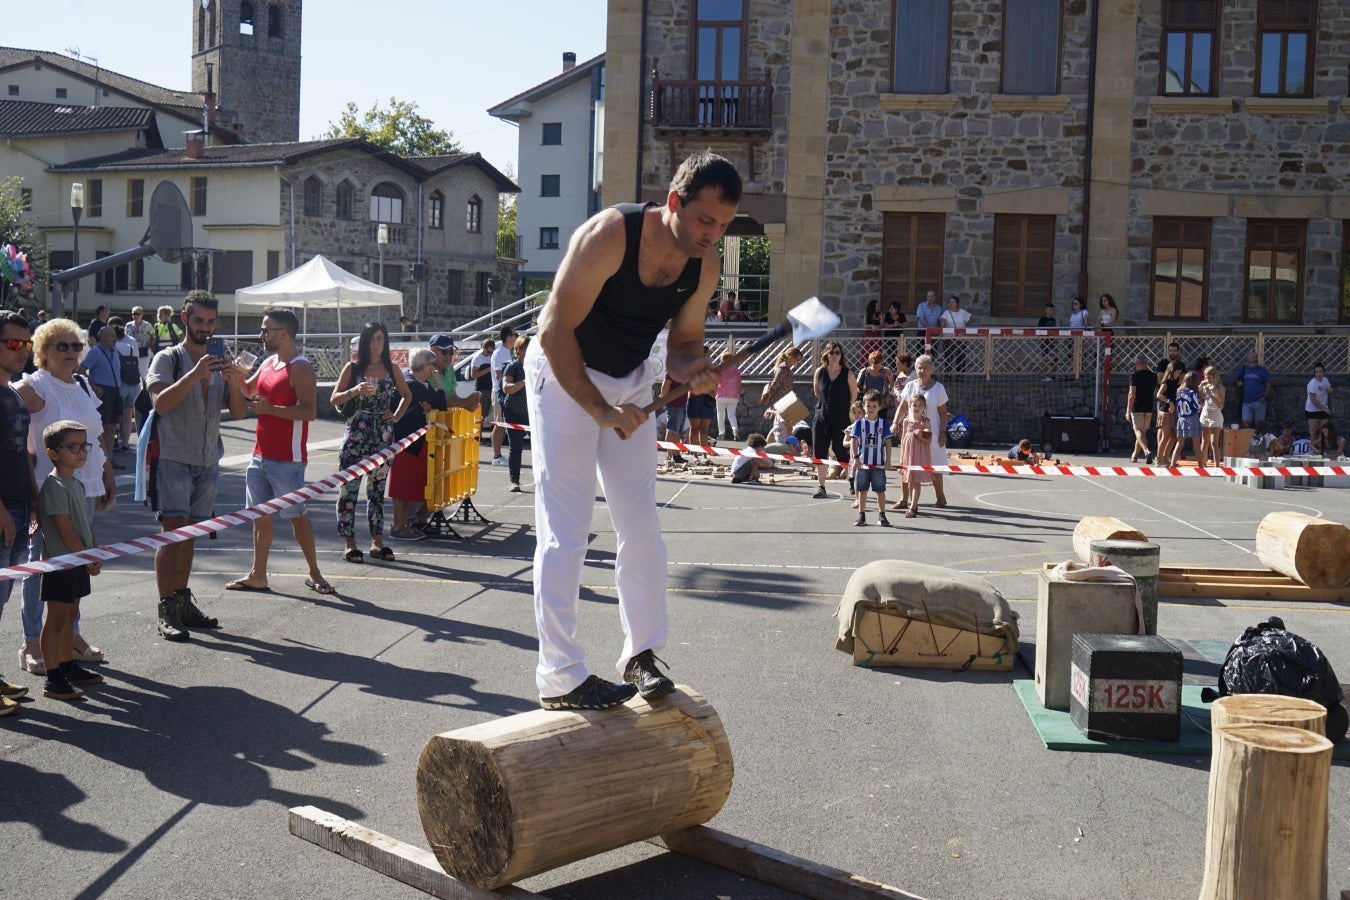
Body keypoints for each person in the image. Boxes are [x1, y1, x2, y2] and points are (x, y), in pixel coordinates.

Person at [525, 150, 739, 710]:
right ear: (674, 202)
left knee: (641, 525)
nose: (711, 236)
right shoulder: (608, 236)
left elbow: (685, 343)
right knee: (566, 530)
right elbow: (552, 331)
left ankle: (640, 654)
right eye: (704, 221)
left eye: (722, 227)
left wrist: (693, 370)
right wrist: (601, 411)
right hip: (563, 371)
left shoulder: (704, 264)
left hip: (632, 378)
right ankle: (560, 677)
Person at [146, 290, 248, 641]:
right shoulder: (168, 358)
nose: (205, 328)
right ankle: (165, 607)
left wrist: (234, 382)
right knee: (172, 534)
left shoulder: (218, 361)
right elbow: (160, 404)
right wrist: (194, 375)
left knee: (190, 534)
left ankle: (181, 599)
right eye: (198, 320)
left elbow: (237, 413)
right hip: (174, 458)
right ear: (184, 318)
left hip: (208, 459)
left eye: (210, 322)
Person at [16, 318, 115, 676]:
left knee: (77, 557)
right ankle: (31, 641)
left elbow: (97, 435)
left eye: (75, 345)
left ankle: (70, 633)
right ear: (43, 351)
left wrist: (106, 475)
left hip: (84, 484)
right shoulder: (33, 386)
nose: (71, 352)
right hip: (48, 488)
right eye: (62, 346)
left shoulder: (83, 384)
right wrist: (28, 488)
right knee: (40, 567)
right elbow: (13, 433)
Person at [226, 307, 334, 595]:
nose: (261, 335)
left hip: (287, 458)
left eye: (266, 330)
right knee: (259, 516)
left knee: (296, 516)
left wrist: (271, 409)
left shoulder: (300, 367)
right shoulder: (270, 361)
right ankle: (257, 574)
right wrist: (236, 375)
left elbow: (310, 412)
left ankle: (315, 573)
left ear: (283, 334)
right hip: (260, 453)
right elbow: (249, 391)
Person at [329, 321, 411, 565]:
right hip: (356, 434)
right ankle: (350, 543)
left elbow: (407, 395)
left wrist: (395, 415)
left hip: (382, 436)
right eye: (372, 338)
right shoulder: (353, 368)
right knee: (349, 491)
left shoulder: (391, 368)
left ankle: (377, 541)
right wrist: (354, 391)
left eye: (380, 339)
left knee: (376, 491)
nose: (376, 343)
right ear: (365, 341)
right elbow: (334, 398)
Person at [36, 420, 105, 701]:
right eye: (72, 447)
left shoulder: (75, 483)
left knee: (70, 615)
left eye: (83, 446)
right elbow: (64, 529)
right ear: (53, 453)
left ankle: (67, 665)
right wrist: (85, 556)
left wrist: (95, 550)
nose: (81, 452)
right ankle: (53, 676)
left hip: (78, 561)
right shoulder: (54, 486)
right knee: (56, 618)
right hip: (61, 564)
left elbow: (84, 524)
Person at [0, 312, 36, 713]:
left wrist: (34, 497)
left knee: (1, 599)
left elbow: (23, 450)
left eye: (26, 345)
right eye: (13, 344)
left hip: (19, 506)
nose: (22, 352)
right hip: (2, 511)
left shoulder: (12, 392)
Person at [389, 348, 446, 538]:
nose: (435, 370)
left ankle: (404, 523)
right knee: (401, 488)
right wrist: (438, 383)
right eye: (433, 366)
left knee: (407, 486)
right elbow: (441, 404)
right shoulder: (414, 385)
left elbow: (434, 406)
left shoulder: (414, 382)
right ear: (426, 366)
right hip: (406, 443)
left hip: (411, 443)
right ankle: (398, 526)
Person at [895, 354, 949, 509]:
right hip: (911, 433)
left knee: (936, 465)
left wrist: (943, 432)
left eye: (926, 367)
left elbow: (943, 412)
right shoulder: (910, 385)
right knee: (906, 464)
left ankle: (940, 498)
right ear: (916, 369)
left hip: (932, 432)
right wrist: (895, 423)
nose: (922, 370)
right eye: (920, 367)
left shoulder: (939, 388)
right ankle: (904, 499)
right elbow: (903, 407)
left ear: (931, 369)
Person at [810, 340, 857, 499]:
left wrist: (851, 418)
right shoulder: (820, 372)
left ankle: (852, 481)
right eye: (832, 353)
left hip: (841, 418)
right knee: (820, 452)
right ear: (827, 354)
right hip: (821, 417)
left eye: (838, 353)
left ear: (841, 355)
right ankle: (821, 486)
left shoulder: (848, 373)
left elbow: (854, 396)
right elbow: (817, 392)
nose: (835, 356)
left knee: (842, 450)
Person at [78, 323, 125, 470]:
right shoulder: (95, 352)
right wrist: (94, 387)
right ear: (103, 338)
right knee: (102, 427)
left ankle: (109, 459)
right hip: (103, 392)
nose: (115, 338)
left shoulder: (114, 351)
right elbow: (81, 370)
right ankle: (100, 461)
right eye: (111, 336)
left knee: (112, 426)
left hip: (115, 391)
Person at [848, 390, 891, 527]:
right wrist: (855, 457)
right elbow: (853, 440)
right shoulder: (859, 424)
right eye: (868, 406)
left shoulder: (883, 424)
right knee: (862, 490)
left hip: (878, 464)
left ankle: (882, 515)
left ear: (879, 407)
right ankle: (861, 515)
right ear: (864, 406)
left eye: (874, 406)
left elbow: (888, 442)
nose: (871, 409)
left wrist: (888, 460)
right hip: (863, 464)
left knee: (880, 490)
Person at [500, 335, 531, 491]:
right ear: (517, 351)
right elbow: (506, 388)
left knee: (541, 449)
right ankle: (514, 481)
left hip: (532, 413)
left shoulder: (535, 366)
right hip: (514, 412)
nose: (528, 351)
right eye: (525, 348)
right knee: (516, 448)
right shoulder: (512, 366)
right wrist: (525, 382)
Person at [898, 393, 934, 518]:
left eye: (920, 405)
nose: (916, 407)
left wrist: (921, 435)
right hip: (908, 455)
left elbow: (928, 440)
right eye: (914, 405)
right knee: (910, 481)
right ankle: (914, 503)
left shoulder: (925, 422)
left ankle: (912, 508)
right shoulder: (906, 421)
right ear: (910, 406)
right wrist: (902, 456)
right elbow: (903, 440)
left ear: (924, 407)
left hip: (919, 455)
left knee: (916, 481)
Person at [427, 334, 482, 414]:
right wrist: (466, 402)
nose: (448, 356)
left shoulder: (450, 369)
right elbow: (440, 401)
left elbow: (453, 397)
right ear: (432, 351)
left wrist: (467, 405)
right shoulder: (427, 370)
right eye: (444, 352)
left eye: (451, 352)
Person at [109, 316, 140, 452]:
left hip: (120, 383)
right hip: (133, 383)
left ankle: (115, 440)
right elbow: (138, 360)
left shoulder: (114, 346)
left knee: (116, 414)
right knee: (128, 415)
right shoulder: (131, 343)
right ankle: (125, 444)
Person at [759, 346, 802, 442]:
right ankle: (780, 446)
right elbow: (775, 384)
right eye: (797, 359)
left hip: (784, 400)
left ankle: (767, 446)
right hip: (781, 400)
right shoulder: (783, 368)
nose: (797, 362)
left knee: (781, 425)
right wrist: (769, 397)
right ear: (790, 356)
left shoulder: (785, 368)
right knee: (783, 425)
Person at [489, 326, 518, 466]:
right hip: (499, 393)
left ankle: (498, 455)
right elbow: (498, 374)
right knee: (499, 425)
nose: (516, 337)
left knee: (502, 425)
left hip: (504, 393)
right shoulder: (500, 352)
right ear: (508, 337)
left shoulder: (506, 352)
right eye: (515, 334)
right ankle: (496, 456)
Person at [1126, 357, 1157, 464]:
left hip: (1137, 406)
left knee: (1138, 431)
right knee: (1142, 433)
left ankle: (1146, 451)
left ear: (1138, 364)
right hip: (1148, 406)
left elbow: (1132, 394)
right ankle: (1134, 456)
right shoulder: (1153, 376)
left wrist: (1128, 410)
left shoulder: (1134, 376)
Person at [685, 347, 716, 454]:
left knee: (704, 429)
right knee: (694, 429)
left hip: (708, 399)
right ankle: (694, 453)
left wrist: (712, 389)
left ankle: (704, 454)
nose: (710, 355)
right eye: (708, 353)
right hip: (695, 398)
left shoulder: (710, 366)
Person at [1232, 351, 1272, 428]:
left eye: (1256, 357)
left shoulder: (1263, 370)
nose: (1255, 359)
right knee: (1246, 423)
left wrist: (1264, 396)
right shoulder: (1243, 369)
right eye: (1253, 357)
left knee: (1260, 423)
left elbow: (1268, 385)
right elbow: (1235, 379)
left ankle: (1259, 438)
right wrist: (1238, 382)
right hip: (1246, 402)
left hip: (1259, 401)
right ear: (1248, 359)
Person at [1170, 372, 1202, 467]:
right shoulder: (1192, 393)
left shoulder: (1179, 391)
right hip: (1192, 418)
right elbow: (1198, 405)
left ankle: (1172, 465)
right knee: (1196, 445)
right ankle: (1201, 466)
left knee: (1179, 444)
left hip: (1181, 418)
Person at [1155, 360, 1183, 464]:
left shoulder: (1176, 382)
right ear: (1172, 371)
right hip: (1165, 411)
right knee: (1165, 436)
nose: (1178, 375)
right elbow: (1158, 394)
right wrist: (1169, 401)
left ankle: (1165, 458)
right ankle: (1159, 459)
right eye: (1177, 372)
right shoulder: (1166, 382)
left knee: (1173, 436)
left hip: (1173, 411)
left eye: (1180, 373)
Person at [1198, 365, 1226, 467]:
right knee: (1204, 441)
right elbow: (1196, 396)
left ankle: (1217, 465)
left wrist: (1210, 394)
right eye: (1206, 377)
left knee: (1214, 442)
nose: (1207, 379)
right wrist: (1201, 386)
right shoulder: (1206, 386)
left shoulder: (1220, 388)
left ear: (1215, 377)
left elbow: (1221, 405)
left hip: (1216, 415)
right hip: (1205, 414)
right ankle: (1202, 463)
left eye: (1209, 377)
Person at [857, 350, 894, 424]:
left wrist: (890, 378)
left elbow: (892, 386)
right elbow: (857, 386)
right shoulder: (864, 372)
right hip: (867, 404)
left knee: (880, 425)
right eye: (874, 366)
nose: (877, 368)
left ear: (882, 362)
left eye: (879, 366)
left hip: (881, 405)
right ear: (870, 363)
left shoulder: (886, 371)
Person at [714, 350, 742, 442]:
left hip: (721, 394)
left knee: (720, 415)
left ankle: (721, 434)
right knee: (731, 414)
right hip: (733, 395)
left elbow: (717, 381)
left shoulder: (721, 369)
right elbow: (739, 383)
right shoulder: (736, 370)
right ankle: (735, 430)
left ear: (723, 360)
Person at [939, 295, 971, 372]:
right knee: (948, 356)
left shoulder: (962, 312)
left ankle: (960, 374)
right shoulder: (946, 312)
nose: (951, 303)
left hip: (961, 339)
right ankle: (948, 374)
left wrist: (963, 327)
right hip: (949, 338)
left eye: (952, 302)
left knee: (961, 357)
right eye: (950, 302)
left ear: (957, 303)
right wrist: (942, 329)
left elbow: (969, 318)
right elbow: (943, 321)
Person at [467, 337, 494, 429]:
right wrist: (487, 370)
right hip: (482, 389)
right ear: (484, 347)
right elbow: (473, 375)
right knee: (480, 414)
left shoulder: (489, 357)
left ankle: (480, 435)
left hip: (490, 389)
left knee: (485, 414)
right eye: (488, 351)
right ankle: (478, 436)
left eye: (491, 352)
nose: (490, 353)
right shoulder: (477, 358)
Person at [1305, 362, 1332, 442]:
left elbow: (1329, 388)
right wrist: (1325, 409)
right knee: (1313, 432)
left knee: (1324, 431)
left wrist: (1330, 390)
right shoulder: (1312, 383)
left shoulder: (1325, 380)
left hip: (1323, 409)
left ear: (1323, 372)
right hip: (1313, 410)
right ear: (1314, 373)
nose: (1319, 374)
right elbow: (1313, 400)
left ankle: (1322, 449)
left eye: (1320, 372)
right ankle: (1313, 450)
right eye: (1317, 372)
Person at [860, 300, 882, 367]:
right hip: (868, 335)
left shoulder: (879, 314)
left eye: (878, 306)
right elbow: (865, 325)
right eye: (876, 306)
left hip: (877, 335)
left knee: (876, 352)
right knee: (866, 352)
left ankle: (876, 367)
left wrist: (877, 327)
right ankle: (864, 368)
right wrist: (871, 326)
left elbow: (881, 324)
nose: (877, 307)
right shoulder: (867, 314)